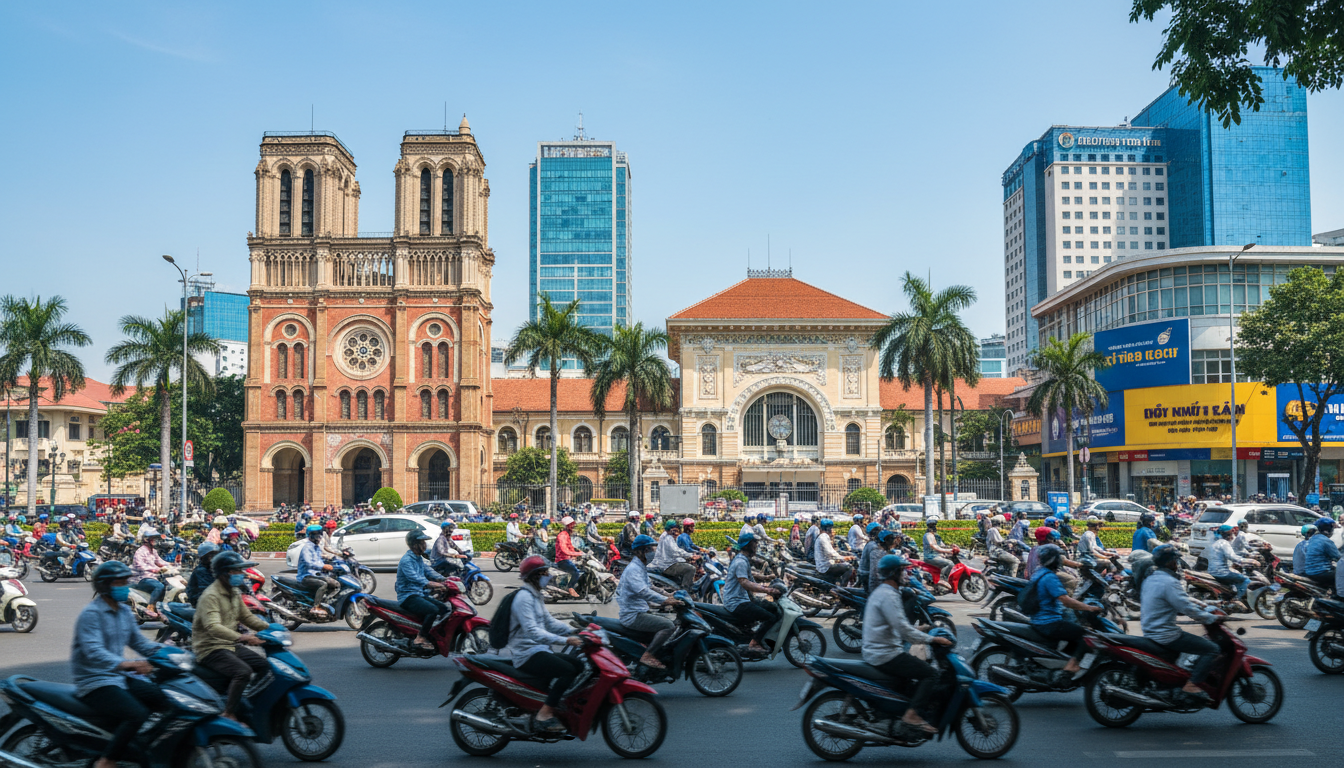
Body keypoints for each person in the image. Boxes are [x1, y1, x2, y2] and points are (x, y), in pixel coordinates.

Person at [72, 561, 170, 768]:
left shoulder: (124, 612)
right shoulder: (92, 614)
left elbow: (139, 642)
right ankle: (107, 760)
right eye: (120, 582)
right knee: (137, 714)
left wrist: (169, 653)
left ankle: (130, 743)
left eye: (126, 581)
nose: (125, 586)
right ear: (105, 585)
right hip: (94, 680)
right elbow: (94, 652)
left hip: (117, 676)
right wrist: (128, 664)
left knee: (162, 698)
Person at [862, 553, 955, 733]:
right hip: (885, 653)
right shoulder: (889, 595)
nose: (906, 575)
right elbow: (903, 629)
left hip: (880, 648)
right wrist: (932, 639)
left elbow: (897, 626)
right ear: (894, 573)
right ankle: (911, 715)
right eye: (903, 571)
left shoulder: (884, 592)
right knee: (931, 674)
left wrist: (921, 630)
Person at [507, 556, 583, 732]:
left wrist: (573, 631)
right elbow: (533, 631)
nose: (549, 576)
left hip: (539, 649)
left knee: (579, 664)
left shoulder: (535, 595)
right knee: (568, 670)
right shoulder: (524, 599)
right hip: (528, 654)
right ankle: (544, 714)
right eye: (545, 573)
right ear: (535, 576)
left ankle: (558, 703)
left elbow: (549, 622)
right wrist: (565, 640)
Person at [192, 551, 270, 720]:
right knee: (243, 672)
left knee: (264, 665)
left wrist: (270, 628)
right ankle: (229, 712)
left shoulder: (234, 592)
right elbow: (213, 627)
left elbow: (246, 616)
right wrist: (242, 637)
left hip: (229, 645)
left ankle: (247, 702)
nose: (241, 575)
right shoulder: (210, 595)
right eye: (236, 571)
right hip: (210, 647)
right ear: (224, 573)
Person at [1141, 544, 1225, 701]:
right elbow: (1186, 608)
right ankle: (1191, 685)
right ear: (1169, 562)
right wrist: (1212, 618)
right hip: (1165, 634)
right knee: (1212, 649)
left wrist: (1202, 604)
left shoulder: (1152, 579)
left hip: (1150, 630)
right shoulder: (1169, 582)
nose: (1177, 564)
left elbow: (1179, 600)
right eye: (1175, 560)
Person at [1026, 544, 1103, 679]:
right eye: (1059, 558)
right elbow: (1066, 601)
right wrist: (1089, 608)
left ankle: (1062, 663)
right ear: (1054, 561)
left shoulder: (1039, 572)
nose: (1061, 561)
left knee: (1073, 630)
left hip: (1038, 619)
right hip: (1049, 622)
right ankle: (1071, 666)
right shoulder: (1050, 578)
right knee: (1085, 635)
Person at [618, 534, 683, 669]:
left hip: (641, 610)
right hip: (633, 615)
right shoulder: (633, 569)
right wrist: (666, 601)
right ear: (640, 551)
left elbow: (651, 586)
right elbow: (644, 592)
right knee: (668, 625)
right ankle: (648, 655)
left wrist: (669, 594)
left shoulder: (640, 566)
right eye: (649, 550)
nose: (652, 553)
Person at [723, 533, 782, 652]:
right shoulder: (740, 561)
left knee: (773, 608)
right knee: (769, 617)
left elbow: (748, 575)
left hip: (743, 599)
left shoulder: (742, 559)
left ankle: (764, 638)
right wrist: (767, 590)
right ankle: (754, 643)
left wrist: (765, 578)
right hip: (737, 602)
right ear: (748, 545)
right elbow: (744, 582)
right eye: (754, 543)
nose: (756, 546)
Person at [397, 530, 450, 650]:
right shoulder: (407, 560)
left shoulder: (418, 558)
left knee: (445, 609)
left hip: (419, 594)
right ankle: (420, 638)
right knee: (433, 610)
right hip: (408, 597)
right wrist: (433, 584)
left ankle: (433, 635)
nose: (424, 545)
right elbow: (415, 578)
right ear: (414, 544)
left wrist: (446, 579)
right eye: (422, 542)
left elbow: (429, 571)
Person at [296, 524, 338, 617]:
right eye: (315, 534)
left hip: (316, 574)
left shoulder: (316, 547)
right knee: (323, 584)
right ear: (310, 535)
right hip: (306, 576)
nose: (318, 537)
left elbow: (321, 558)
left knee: (335, 583)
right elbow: (309, 563)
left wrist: (333, 560)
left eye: (319, 534)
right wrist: (323, 566)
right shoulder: (307, 548)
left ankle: (325, 603)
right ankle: (315, 607)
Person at [131, 529, 171, 621]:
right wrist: (154, 569)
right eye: (153, 539)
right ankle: (150, 607)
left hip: (154, 577)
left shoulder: (154, 551)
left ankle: (160, 607)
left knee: (167, 585)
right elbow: (140, 565)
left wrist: (171, 565)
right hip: (142, 578)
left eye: (156, 539)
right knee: (159, 586)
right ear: (146, 540)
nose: (155, 541)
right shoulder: (140, 552)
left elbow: (160, 561)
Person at [649, 520, 698, 589]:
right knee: (691, 569)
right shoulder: (668, 538)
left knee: (685, 563)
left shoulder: (665, 535)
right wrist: (690, 555)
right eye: (674, 530)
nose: (676, 533)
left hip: (665, 562)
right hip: (667, 565)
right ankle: (686, 590)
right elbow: (675, 551)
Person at [1303, 517, 1340, 590]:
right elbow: (1338, 557)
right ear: (1328, 529)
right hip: (1321, 572)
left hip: (1309, 571)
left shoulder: (1313, 538)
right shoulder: (1326, 541)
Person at [814, 518, 854, 584]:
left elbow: (832, 551)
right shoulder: (823, 537)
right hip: (825, 566)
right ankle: (842, 589)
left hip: (826, 564)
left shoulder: (824, 536)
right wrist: (843, 558)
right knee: (849, 567)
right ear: (828, 528)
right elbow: (830, 552)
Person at [553, 516, 583, 598]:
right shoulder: (562, 535)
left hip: (567, 559)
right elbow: (564, 550)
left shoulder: (566, 534)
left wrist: (579, 552)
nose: (573, 526)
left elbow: (570, 548)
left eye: (573, 524)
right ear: (566, 526)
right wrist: (577, 554)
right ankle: (571, 588)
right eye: (571, 525)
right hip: (562, 560)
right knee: (576, 572)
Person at [856, 522, 882, 586]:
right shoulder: (874, 546)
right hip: (867, 575)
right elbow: (874, 570)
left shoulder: (875, 544)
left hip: (866, 573)